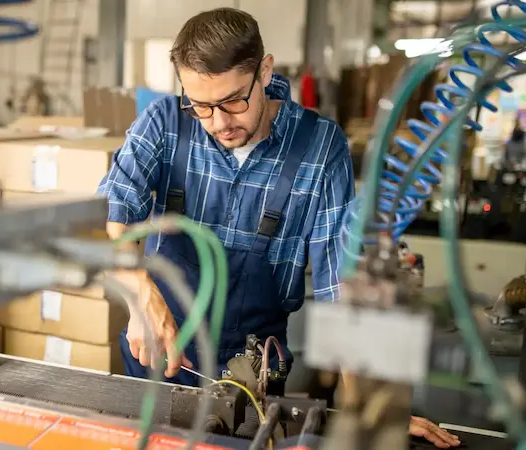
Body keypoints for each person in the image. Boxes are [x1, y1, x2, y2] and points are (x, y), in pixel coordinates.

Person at [97, 7, 460, 449]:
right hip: (158, 357)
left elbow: (338, 284)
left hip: (252, 377)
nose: (218, 123)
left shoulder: (319, 147)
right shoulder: (165, 123)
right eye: (201, 105)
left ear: (265, 71)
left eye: (233, 101)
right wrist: (141, 295)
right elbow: (114, 212)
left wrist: (368, 407)